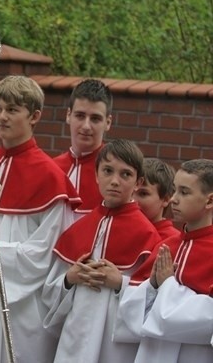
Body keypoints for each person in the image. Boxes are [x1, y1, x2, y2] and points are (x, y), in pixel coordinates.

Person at [0, 75, 81, 363]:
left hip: (23, 307)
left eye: (12, 110)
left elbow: (45, 254)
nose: (1, 117)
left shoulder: (51, 178)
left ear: (34, 116)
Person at [42, 139, 162, 363]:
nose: (115, 181)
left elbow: (153, 300)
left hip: (113, 345)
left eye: (125, 174)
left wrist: (121, 284)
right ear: (96, 175)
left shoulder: (147, 236)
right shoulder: (79, 229)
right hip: (74, 338)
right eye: (107, 171)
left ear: (139, 182)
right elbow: (49, 293)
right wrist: (69, 278)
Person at [116, 159, 213, 362]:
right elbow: (130, 315)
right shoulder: (166, 246)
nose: (174, 199)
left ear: (210, 201)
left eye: (184, 192)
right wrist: (151, 286)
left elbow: (206, 321)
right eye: (175, 190)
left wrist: (167, 285)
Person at [53, 79, 113, 218]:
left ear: (108, 123)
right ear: (68, 115)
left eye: (95, 119)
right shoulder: (51, 168)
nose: (86, 126)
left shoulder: (114, 174)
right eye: (80, 116)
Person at [133, 157, 181, 240]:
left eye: (143, 193)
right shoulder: (118, 229)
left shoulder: (174, 241)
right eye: (131, 193)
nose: (133, 200)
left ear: (166, 199)